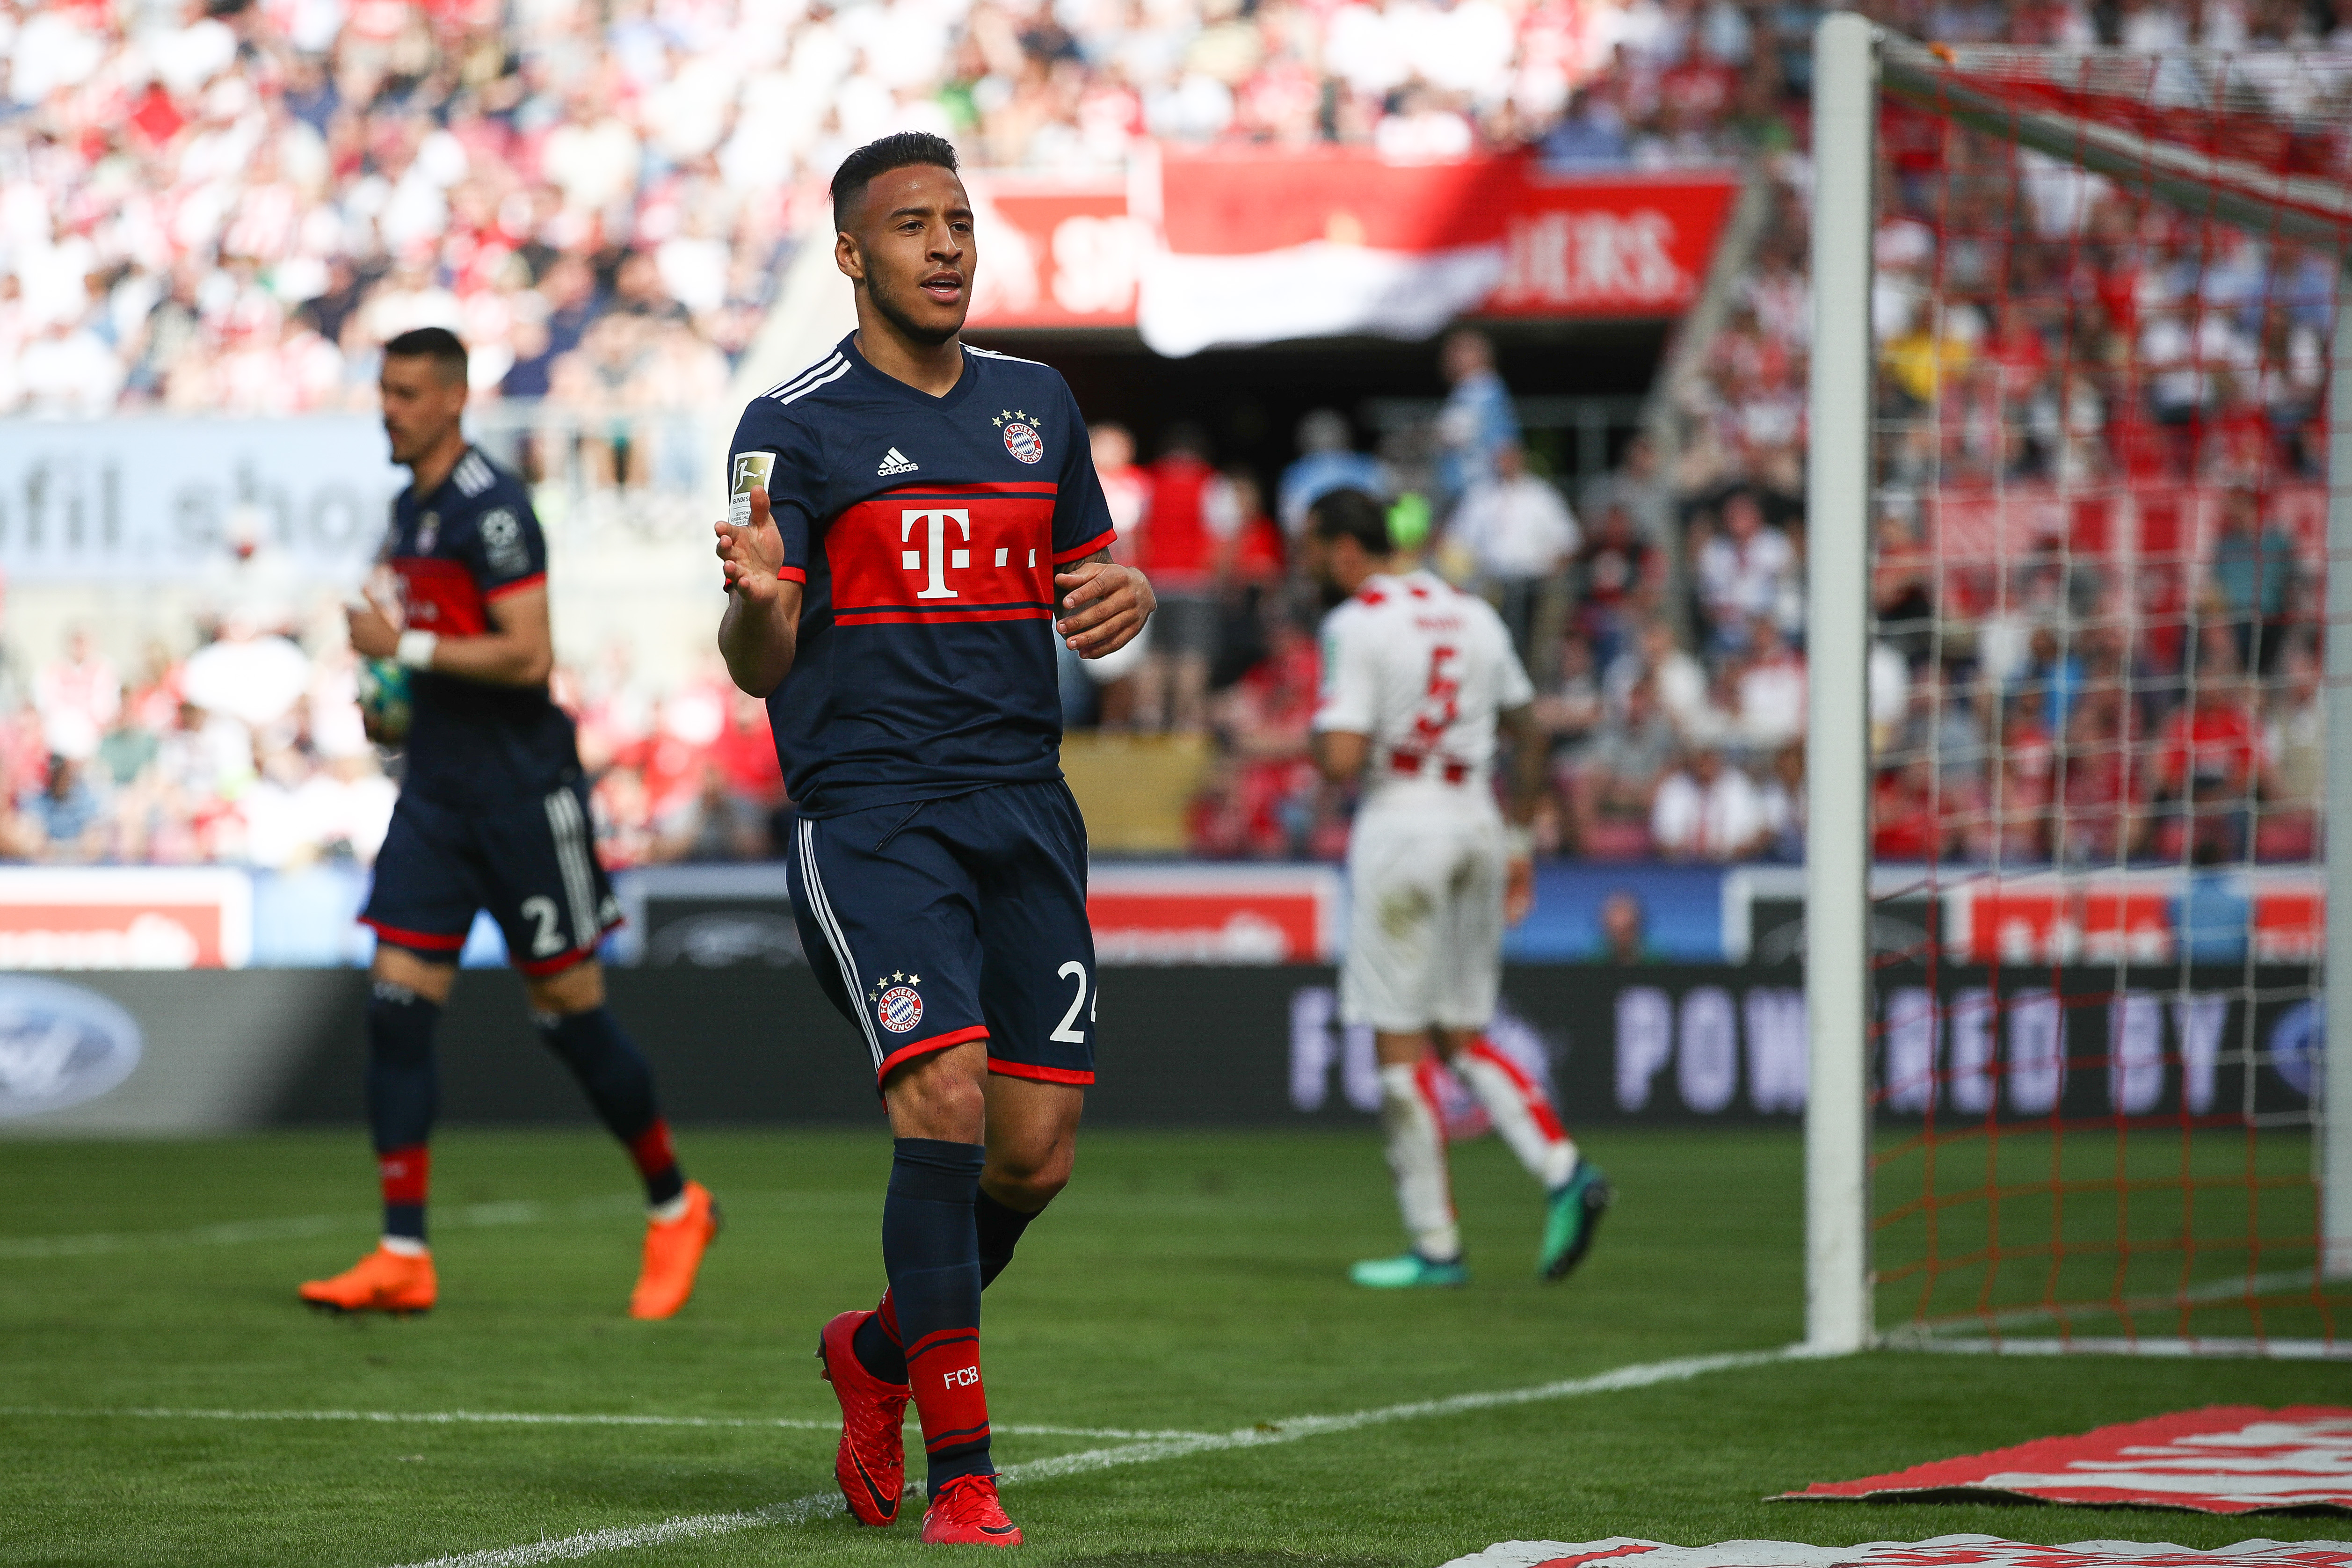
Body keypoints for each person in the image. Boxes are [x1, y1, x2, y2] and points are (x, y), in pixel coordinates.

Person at [711, 132, 1154, 1547]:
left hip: (1027, 805)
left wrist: (1120, 597)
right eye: (913, 225)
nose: (948, 246)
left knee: (1033, 1158)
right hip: (876, 812)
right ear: (852, 255)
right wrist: (759, 600)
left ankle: (880, 1352)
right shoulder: (786, 428)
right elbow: (757, 655)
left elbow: (1087, 577)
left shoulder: (1039, 402)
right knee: (945, 1104)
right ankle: (964, 1471)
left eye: (959, 221)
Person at [300, 327, 719, 1322]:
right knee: (395, 1010)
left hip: (525, 798)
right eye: (383, 389)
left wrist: (406, 644)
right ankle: (404, 1248)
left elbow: (528, 657)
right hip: (437, 799)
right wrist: (390, 695)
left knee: (569, 1018)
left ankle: (675, 1202)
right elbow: (416, 658)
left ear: (452, 399)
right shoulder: (411, 511)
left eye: (404, 392)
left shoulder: (493, 509)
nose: (386, 408)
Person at [1303, 486, 1610, 1291]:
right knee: (1463, 1034)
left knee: (1398, 1053)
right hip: (1478, 818)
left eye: (1310, 547)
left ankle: (1435, 1243)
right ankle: (1562, 1166)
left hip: (1402, 823)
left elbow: (1338, 759)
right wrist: (1518, 843)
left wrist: (1301, 736)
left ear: (1342, 549)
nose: (1305, 564)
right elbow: (1531, 733)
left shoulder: (1353, 623)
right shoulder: (1470, 612)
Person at [1446, 440, 1580, 672]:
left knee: (1535, 642)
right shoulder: (1481, 495)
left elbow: (1569, 539)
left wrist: (1555, 569)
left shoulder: (1541, 495)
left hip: (1535, 584)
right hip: (1494, 584)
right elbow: (1458, 539)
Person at [1277, 409, 1391, 538]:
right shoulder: (1373, 466)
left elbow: (1293, 527)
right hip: (1366, 545)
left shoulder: (1295, 473)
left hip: (1325, 546)